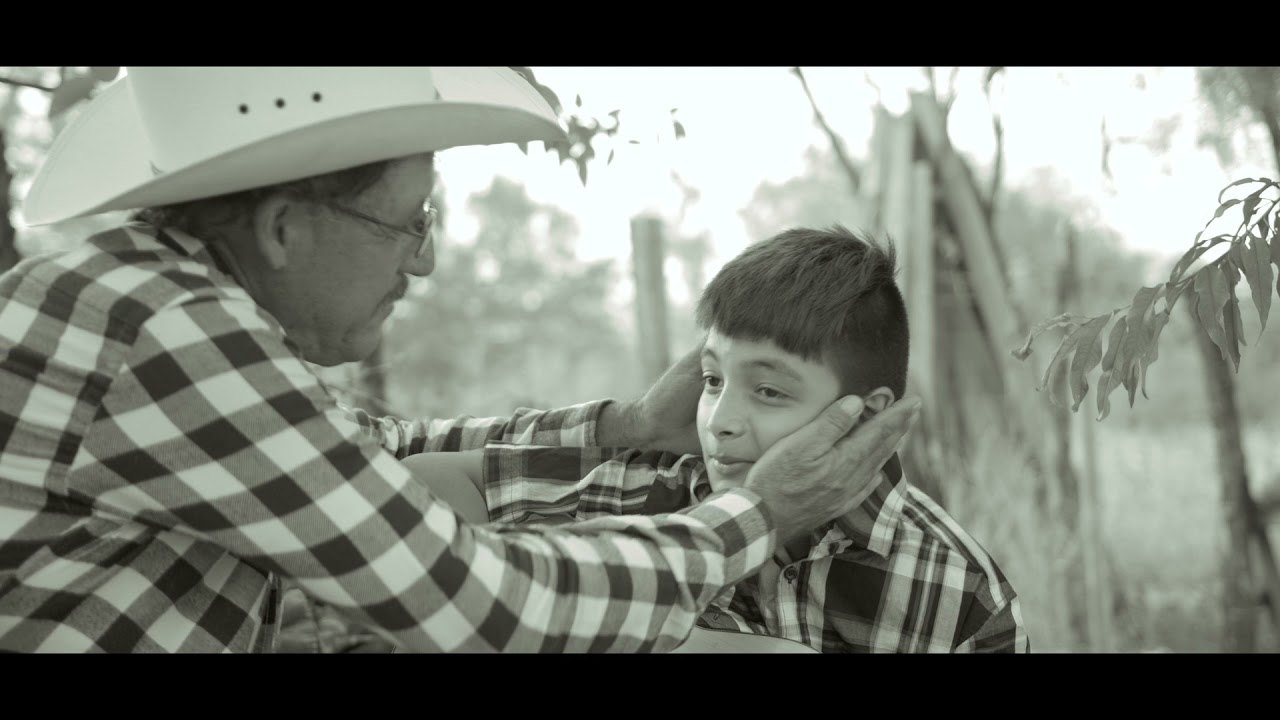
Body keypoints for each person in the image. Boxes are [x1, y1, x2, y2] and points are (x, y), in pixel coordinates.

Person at [0, 67, 921, 653]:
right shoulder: (173, 337)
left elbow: (366, 451)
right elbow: (486, 608)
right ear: (285, 228)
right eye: (410, 222)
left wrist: (624, 427)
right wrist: (757, 514)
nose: (425, 260)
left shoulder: (143, 299)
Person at [411, 225, 1029, 653]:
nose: (718, 421)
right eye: (712, 379)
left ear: (866, 416)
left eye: (769, 392)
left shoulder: (958, 589)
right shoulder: (635, 490)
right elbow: (417, 491)